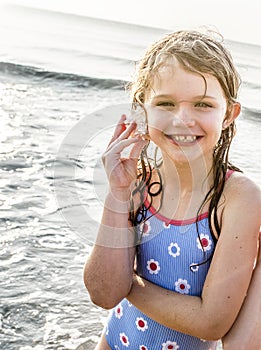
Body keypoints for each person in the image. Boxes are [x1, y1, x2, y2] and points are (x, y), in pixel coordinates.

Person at [83, 29, 261, 350]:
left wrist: (128, 283)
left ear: (228, 115)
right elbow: (102, 293)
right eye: (165, 103)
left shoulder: (238, 198)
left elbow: (210, 323)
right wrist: (117, 194)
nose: (183, 119)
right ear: (143, 111)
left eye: (203, 105)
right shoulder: (136, 183)